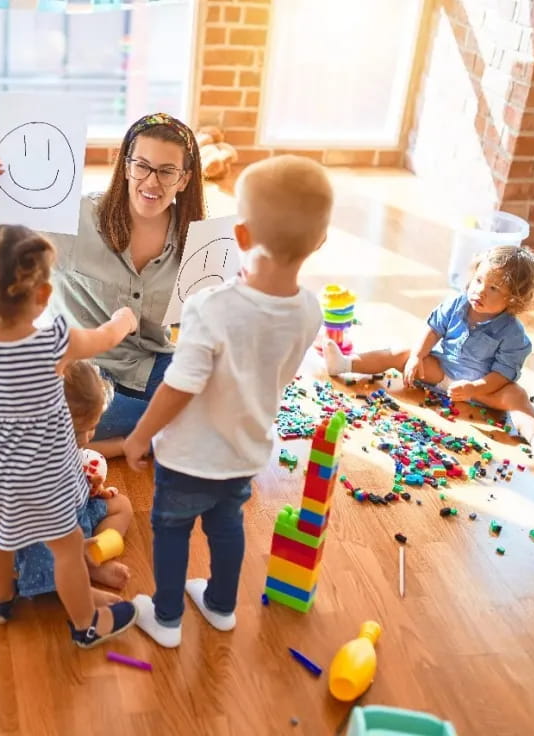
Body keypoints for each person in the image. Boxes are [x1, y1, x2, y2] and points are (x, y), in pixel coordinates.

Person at [124, 155, 334, 648]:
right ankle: (221, 606)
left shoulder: (211, 307)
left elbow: (180, 385)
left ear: (239, 237)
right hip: (246, 451)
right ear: (320, 241)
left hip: (189, 456)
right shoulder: (310, 309)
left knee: (172, 528)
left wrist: (139, 435)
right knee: (226, 526)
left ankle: (168, 617)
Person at [0, 216, 138, 648]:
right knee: (67, 546)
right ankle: (86, 624)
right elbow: (103, 337)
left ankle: (0, 602)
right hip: (43, 478)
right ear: (44, 295)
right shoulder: (54, 344)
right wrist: (124, 320)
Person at [0, 113, 207, 457]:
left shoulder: (196, 241)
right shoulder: (75, 217)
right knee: (45, 416)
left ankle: (123, 435)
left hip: (154, 368)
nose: (151, 182)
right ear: (125, 166)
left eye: (167, 171)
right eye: (142, 165)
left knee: (222, 400)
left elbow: (202, 327)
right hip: (83, 376)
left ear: (183, 179)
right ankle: (133, 440)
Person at [322, 245, 534, 461]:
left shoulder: (513, 333)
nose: (480, 291)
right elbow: (432, 330)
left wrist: (474, 388)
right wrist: (418, 356)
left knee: (516, 396)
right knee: (401, 352)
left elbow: (503, 374)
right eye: (479, 280)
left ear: (513, 300)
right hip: (442, 371)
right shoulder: (457, 304)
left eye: (493, 288)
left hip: (485, 389)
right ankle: (346, 364)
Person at [15, 360, 134, 604]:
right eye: (82, 430)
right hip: (49, 534)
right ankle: (78, 589)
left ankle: (92, 559)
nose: (88, 437)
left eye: (93, 427)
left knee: (122, 506)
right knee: (53, 559)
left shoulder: (65, 444)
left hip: (77, 516)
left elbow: (73, 479)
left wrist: (92, 489)